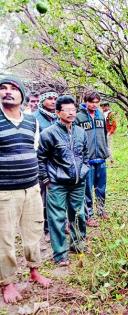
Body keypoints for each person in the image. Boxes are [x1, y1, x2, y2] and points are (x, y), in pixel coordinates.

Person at [0, 76, 51, 304]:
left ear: (22, 95)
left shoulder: (32, 121)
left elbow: (34, 149)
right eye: (3, 88)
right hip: (5, 192)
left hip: (31, 188)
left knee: (33, 232)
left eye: (13, 89)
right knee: (5, 238)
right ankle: (7, 282)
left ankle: (34, 270)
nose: (7, 92)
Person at [38, 95, 89, 266]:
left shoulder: (81, 132)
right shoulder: (48, 134)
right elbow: (41, 158)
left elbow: (85, 155)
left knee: (79, 214)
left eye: (73, 110)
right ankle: (60, 253)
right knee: (57, 217)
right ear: (58, 112)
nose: (71, 113)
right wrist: (46, 179)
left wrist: (83, 170)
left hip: (78, 182)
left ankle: (77, 244)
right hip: (57, 183)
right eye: (67, 110)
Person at [75, 91, 109, 227]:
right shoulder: (79, 117)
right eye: (91, 102)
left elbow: (105, 134)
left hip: (101, 157)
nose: (94, 105)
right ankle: (89, 215)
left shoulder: (101, 115)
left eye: (97, 102)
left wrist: (106, 150)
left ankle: (101, 210)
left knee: (101, 187)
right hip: (86, 160)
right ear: (86, 102)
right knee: (87, 189)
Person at [33, 90, 59, 240]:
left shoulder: (57, 117)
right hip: (42, 164)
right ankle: (47, 229)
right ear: (42, 100)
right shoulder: (35, 118)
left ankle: (59, 225)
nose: (53, 101)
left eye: (55, 98)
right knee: (44, 197)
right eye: (49, 98)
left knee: (57, 195)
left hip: (57, 163)